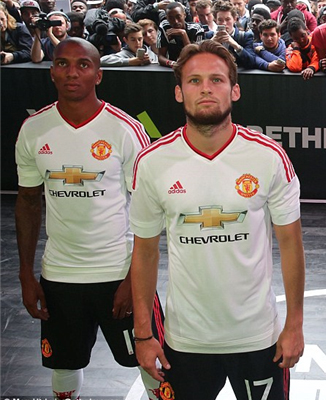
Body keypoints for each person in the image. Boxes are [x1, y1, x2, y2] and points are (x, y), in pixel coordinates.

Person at [130, 39, 305, 400]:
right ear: (179, 93)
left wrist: (295, 325)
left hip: (257, 336)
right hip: (186, 338)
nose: (206, 88)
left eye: (217, 79)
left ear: (234, 90)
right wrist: (143, 334)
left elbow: (291, 245)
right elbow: (144, 252)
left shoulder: (268, 156)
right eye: (194, 81)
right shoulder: (152, 162)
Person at [15, 37, 164, 400]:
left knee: (151, 362)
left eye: (83, 65)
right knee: (63, 365)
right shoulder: (34, 129)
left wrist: (134, 277)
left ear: (98, 74)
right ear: (52, 72)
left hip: (118, 272)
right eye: (62, 64)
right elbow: (28, 202)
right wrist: (25, 274)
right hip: (59, 274)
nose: (72, 72)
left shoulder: (125, 129)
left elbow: (149, 208)